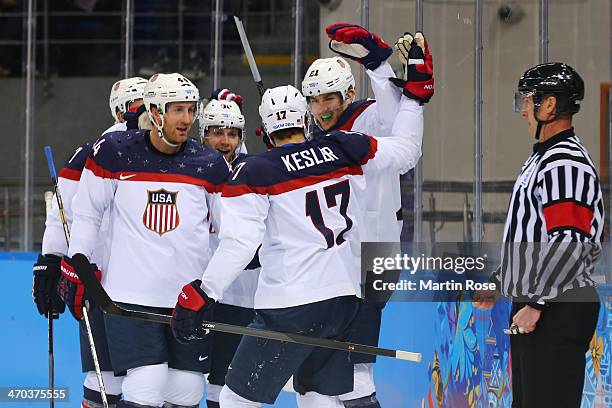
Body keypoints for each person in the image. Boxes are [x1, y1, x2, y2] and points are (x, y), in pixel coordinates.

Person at [169, 81, 423, 407]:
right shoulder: (346, 147)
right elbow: (406, 150)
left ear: (265, 132)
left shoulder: (255, 170)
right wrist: (414, 99)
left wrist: (205, 291)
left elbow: (240, 243)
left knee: (234, 399)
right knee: (317, 395)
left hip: (290, 307)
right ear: (305, 121)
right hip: (343, 301)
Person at [62, 73, 229, 408]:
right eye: (176, 110)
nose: (186, 119)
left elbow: (227, 231)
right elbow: (88, 213)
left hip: (188, 298)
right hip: (129, 296)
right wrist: (77, 260)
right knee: (146, 383)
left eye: (190, 110)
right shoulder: (113, 153)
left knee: (186, 390)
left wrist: (214, 283)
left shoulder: (210, 164)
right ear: (154, 111)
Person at [299, 25, 434, 407]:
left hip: (371, 262)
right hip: (332, 265)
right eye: (315, 100)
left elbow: (395, 122)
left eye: (330, 98)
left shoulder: (367, 118)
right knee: (315, 378)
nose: (323, 107)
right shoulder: (314, 136)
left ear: (350, 94)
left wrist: (377, 63)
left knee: (357, 375)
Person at [473, 62, 604, 407]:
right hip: (545, 302)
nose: (523, 112)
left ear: (549, 105)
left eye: (526, 101)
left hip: (558, 306)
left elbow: (569, 241)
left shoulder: (565, 162)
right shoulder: (544, 159)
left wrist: (537, 302)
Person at [33, 76, 147, 408]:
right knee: (114, 374)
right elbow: (61, 213)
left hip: (136, 279)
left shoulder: (165, 152)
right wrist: (51, 262)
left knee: (148, 376)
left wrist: (50, 262)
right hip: (105, 279)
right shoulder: (94, 152)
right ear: (122, 111)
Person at [199, 91, 260, 408]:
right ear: (203, 134)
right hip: (199, 291)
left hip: (241, 295)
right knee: (180, 379)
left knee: (229, 378)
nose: (225, 141)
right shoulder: (189, 171)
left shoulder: (251, 171)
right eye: (217, 132)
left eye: (233, 133)